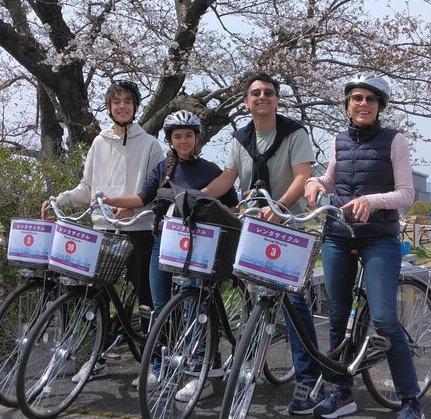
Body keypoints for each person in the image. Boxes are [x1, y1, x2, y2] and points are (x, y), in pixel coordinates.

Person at [202, 71, 324, 415]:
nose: (262, 97)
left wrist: (282, 206)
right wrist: (196, 196)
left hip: (289, 226)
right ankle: (247, 362)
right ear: (246, 101)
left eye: (268, 92)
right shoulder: (239, 138)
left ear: (276, 99)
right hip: (252, 226)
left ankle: (307, 378)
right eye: (255, 93)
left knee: (295, 305)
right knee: (255, 298)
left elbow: (303, 174)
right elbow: (228, 177)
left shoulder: (293, 132)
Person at [304, 73, 424, 419]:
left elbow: (406, 192)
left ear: (379, 106)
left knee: (385, 320)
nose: (363, 104)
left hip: (379, 239)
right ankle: (342, 393)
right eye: (356, 98)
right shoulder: (338, 139)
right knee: (338, 317)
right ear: (347, 104)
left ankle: (410, 399)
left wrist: (372, 200)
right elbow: (332, 177)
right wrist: (315, 182)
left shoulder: (394, 140)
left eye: (370, 99)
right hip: (338, 236)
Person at [100, 109, 238, 400]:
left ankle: (200, 374)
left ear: (197, 138)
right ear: (171, 140)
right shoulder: (164, 167)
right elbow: (141, 198)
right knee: (159, 307)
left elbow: (231, 207)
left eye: (189, 135)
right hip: (164, 242)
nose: (184, 140)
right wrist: (108, 199)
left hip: (199, 247)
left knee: (193, 308)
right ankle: (157, 366)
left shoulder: (211, 170)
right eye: (178, 136)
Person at [40, 80, 164, 381]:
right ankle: (97, 356)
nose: (121, 106)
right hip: (103, 230)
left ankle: (156, 360)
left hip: (138, 229)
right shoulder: (99, 141)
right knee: (93, 296)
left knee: (146, 294)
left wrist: (134, 207)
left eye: (127, 101)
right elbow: (87, 188)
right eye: (115, 101)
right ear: (109, 107)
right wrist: (61, 199)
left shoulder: (150, 144)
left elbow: (160, 191)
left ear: (135, 106)